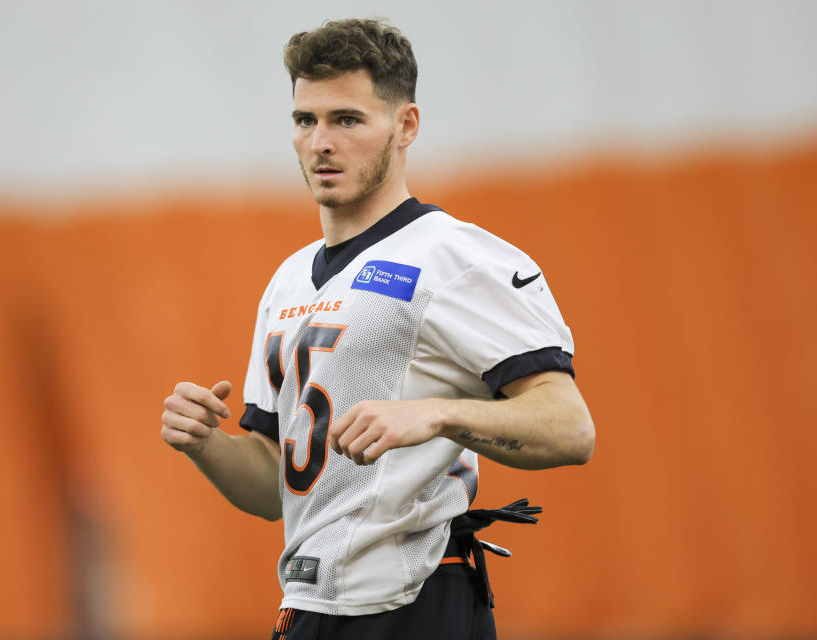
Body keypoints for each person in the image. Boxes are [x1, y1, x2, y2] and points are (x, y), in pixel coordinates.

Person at [161, 18, 594, 640]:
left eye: (347, 119)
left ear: (406, 126)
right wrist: (207, 446)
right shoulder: (287, 280)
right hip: (313, 605)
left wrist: (438, 415)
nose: (321, 143)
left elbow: (571, 429)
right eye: (304, 120)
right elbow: (274, 489)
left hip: (417, 602)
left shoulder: (459, 257)